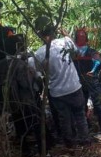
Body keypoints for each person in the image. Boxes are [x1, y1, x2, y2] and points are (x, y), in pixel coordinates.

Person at [33, 16, 90, 148]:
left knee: (64, 119)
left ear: (40, 34)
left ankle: (70, 144)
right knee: (80, 116)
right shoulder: (64, 42)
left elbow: (38, 72)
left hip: (58, 92)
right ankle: (85, 140)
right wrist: (67, 35)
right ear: (54, 32)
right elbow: (77, 51)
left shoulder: (39, 53)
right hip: (74, 87)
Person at [0, 35, 53, 157]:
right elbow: (26, 84)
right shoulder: (20, 64)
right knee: (37, 123)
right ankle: (44, 150)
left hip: (11, 102)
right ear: (18, 48)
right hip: (27, 100)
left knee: (19, 124)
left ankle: (24, 150)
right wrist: (36, 79)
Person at [72, 28, 101, 133]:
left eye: (83, 35)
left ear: (86, 38)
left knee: (97, 103)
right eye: (79, 35)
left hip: (90, 80)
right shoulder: (73, 52)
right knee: (82, 104)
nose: (81, 37)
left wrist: (93, 71)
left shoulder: (90, 51)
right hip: (79, 81)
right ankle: (87, 127)